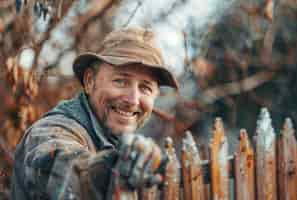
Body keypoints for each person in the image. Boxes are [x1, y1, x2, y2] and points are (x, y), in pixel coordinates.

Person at [11, 27, 179, 200]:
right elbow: (62, 169)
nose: (133, 100)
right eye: (120, 81)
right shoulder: (51, 130)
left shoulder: (116, 139)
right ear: (90, 81)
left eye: (145, 88)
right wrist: (106, 169)